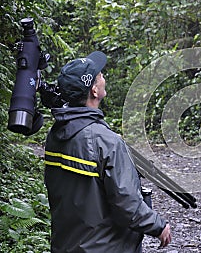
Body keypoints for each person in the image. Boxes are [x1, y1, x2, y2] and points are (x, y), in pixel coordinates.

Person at [44, 51, 171, 252]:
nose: (104, 77)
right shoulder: (106, 141)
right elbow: (127, 204)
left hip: (65, 245)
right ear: (94, 90)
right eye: (100, 75)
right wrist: (158, 225)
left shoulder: (55, 134)